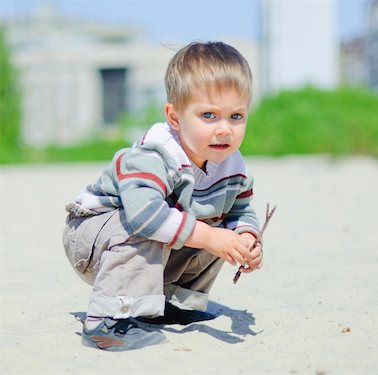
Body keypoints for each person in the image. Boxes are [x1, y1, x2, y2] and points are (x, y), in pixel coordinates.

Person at [63, 41, 262, 351]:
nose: (225, 129)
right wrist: (210, 237)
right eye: (209, 115)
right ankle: (106, 322)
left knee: (219, 229)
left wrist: (246, 238)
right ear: (175, 116)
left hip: (142, 247)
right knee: (161, 222)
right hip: (93, 237)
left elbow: (241, 211)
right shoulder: (157, 153)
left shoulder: (232, 166)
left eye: (236, 116)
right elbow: (143, 214)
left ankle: (175, 305)